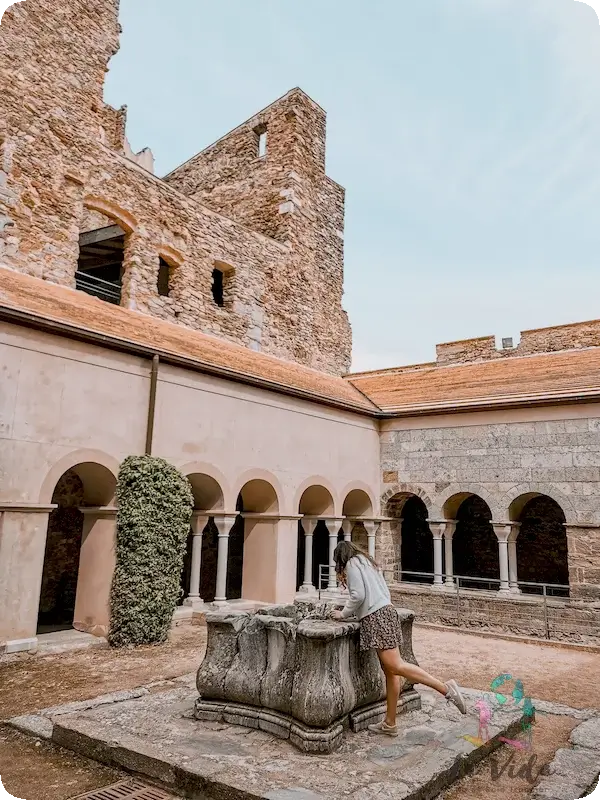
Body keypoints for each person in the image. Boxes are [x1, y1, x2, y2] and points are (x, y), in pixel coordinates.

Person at [330, 541, 466, 737]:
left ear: (342, 557)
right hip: (386, 611)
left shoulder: (352, 564)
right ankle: (390, 723)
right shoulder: (368, 562)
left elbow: (358, 595)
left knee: (395, 665)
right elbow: (379, 592)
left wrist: (343, 614)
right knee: (391, 672)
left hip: (376, 617)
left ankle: (445, 688)